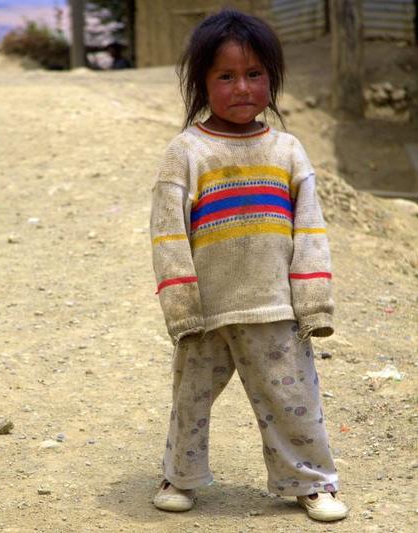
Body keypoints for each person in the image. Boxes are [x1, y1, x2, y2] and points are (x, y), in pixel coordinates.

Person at [149, 9, 349, 523]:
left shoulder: (286, 150)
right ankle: (180, 475)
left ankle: (310, 482)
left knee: (295, 400)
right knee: (191, 399)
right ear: (201, 83)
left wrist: (312, 301)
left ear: (273, 79)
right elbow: (169, 235)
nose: (242, 87)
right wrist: (182, 305)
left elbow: (309, 230)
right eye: (225, 76)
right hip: (208, 310)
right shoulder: (187, 153)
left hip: (275, 307)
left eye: (255, 74)